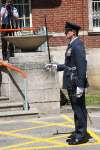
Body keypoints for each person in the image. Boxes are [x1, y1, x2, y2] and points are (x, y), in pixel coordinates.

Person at [45, 22, 89, 145]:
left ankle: (81, 135)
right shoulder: (72, 45)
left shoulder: (77, 45)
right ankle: (79, 131)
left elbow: (82, 66)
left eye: (67, 31)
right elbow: (69, 65)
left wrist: (80, 85)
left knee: (79, 109)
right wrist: (56, 66)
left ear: (73, 32)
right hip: (72, 81)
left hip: (75, 83)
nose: (65, 32)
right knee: (76, 109)